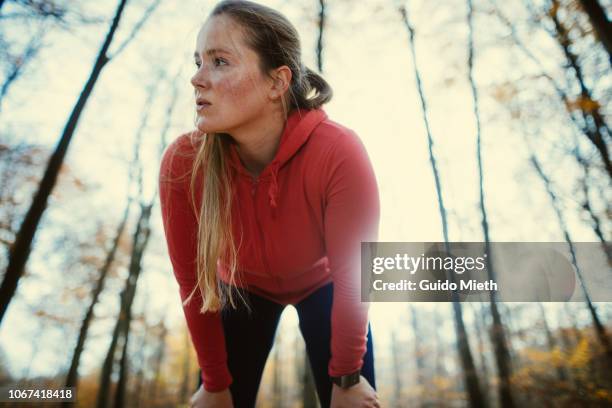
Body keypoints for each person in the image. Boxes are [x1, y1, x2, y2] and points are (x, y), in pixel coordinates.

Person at [158, 1, 381, 407]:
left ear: (277, 82)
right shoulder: (183, 163)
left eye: (220, 61)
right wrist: (213, 383)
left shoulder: (338, 151)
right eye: (198, 61)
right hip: (241, 289)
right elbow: (194, 284)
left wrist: (348, 377)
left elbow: (355, 274)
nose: (196, 78)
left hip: (325, 284)